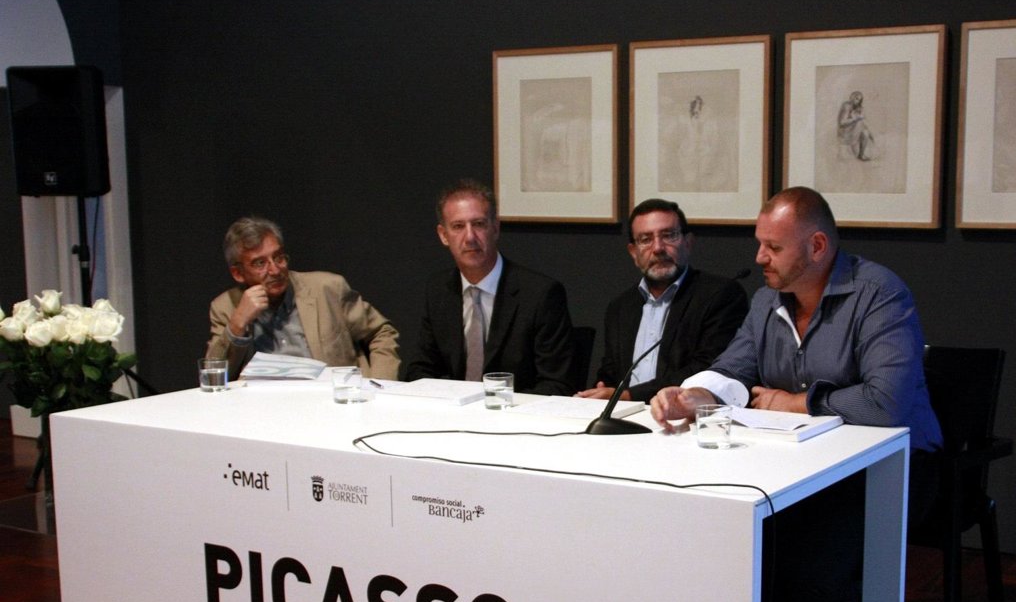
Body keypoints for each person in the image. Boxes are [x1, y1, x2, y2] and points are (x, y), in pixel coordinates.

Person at [650, 186, 942, 602]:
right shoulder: (768, 300)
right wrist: (693, 396)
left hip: (895, 467)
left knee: (802, 545)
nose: (759, 257)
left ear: (818, 246)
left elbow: (887, 403)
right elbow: (734, 368)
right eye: (759, 243)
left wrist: (799, 402)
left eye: (774, 247)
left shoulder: (878, 293)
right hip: (803, 463)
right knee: (722, 526)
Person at [405, 179, 575, 395]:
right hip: (454, 410)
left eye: (478, 224)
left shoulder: (540, 294)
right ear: (443, 235)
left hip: (515, 411)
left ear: (495, 228)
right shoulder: (439, 289)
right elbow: (421, 369)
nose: (469, 237)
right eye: (458, 226)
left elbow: (557, 384)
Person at [577, 198, 747, 403]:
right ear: (633, 252)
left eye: (668, 236)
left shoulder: (719, 295)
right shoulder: (620, 307)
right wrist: (602, 389)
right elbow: (610, 372)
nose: (658, 248)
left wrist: (630, 396)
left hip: (683, 412)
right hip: (623, 412)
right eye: (646, 239)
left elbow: (708, 369)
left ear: (688, 243)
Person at [206, 216, 400, 380]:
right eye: (260, 263)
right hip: (263, 408)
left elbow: (381, 333)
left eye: (279, 257)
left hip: (330, 401)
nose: (275, 270)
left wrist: (380, 385)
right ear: (238, 273)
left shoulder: (327, 289)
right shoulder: (225, 307)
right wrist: (237, 325)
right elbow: (213, 377)